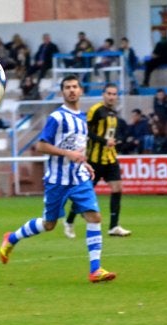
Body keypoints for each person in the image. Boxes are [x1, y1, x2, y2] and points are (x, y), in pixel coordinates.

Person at [0, 74, 116, 283]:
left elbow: (77, 149)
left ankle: (95, 269)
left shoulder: (82, 119)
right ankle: (12, 238)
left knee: (94, 216)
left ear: (81, 91)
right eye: (67, 87)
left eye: (75, 86)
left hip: (78, 177)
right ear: (63, 92)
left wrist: (84, 162)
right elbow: (41, 146)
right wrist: (68, 154)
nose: (72, 90)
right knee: (49, 224)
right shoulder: (57, 118)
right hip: (57, 179)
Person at [63, 83, 131, 238]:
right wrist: (103, 141)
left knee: (117, 188)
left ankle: (114, 226)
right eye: (109, 93)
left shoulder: (114, 113)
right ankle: (69, 220)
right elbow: (86, 131)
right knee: (84, 194)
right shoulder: (96, 110)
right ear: (103, 94)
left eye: (114, 94)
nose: (112, 97)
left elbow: (113, 134)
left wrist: (116, 141)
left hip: (110, 158)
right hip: (94, 160)